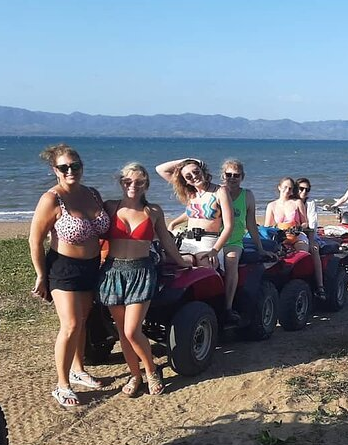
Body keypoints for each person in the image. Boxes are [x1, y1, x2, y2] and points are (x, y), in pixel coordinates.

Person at [99, 163, 190, 397]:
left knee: (132, 331)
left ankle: (150, 371)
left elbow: (167, 241)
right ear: (121, 183)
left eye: (139, 182)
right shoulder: (110, 207)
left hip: (141, 272)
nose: (133, 186)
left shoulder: (154, 211)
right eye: (128, 181)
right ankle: (135, 375)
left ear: (146, 185)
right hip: (113, 272)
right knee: (122, 332)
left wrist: (181, 262)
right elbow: (89, 225)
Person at [29, 144, 109, 407]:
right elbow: (35, 239)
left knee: (82, 321)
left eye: (75, 165)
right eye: (64, 167)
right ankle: (62, 385)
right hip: (63, 268)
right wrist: (41, 275)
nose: (70, 170)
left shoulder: (93, 194)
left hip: (91, 267)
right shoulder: (52, 199)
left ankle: (78, 370)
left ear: (81, 166)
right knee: (71, 324)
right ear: (56, 170)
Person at [156, 158, 237, 321]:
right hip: (187, 240)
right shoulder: (190, 193)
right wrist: (187, 160)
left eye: (196, 171)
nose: (193, 176)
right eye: (188, 176)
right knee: (165, 261)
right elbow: (161, 169)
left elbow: (229, 226)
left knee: (205, 268)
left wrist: (215, 250)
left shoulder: (220, 191)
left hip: (209, 242)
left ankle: (223, 310)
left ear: (203, 171)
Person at [220, 159, 276, 317]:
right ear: (223, 175)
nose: (232, 178)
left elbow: (251, 223)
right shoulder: (218, 192)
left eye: (236, 175)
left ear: (242, 177)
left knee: (231, 262)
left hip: (234, 241)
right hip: (215, 239)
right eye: (228, 174)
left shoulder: (247, 196)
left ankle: (228, 308)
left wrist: (260, 248)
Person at [296, 177, 326, 300]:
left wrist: (311, 239)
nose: (303, 192)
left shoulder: (310, 204)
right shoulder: (291, 202)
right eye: (301, 189)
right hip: (292, 235)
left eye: (307, 190)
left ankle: (320, 286)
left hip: (310, 235)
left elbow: (312, 224)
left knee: (314, 249)